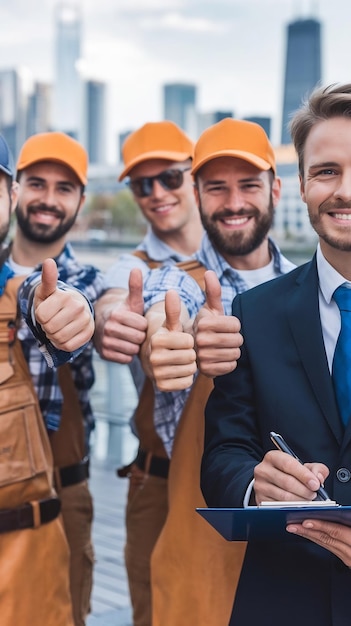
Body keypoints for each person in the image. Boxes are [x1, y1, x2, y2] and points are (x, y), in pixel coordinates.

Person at [200, 82, 351, 626]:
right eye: (327, 171)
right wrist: (252, 484)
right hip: (280, 598)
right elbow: (223, 454)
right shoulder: (253, 312)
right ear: (302, 187)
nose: (344, 190)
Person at [141, 118, 295, 625]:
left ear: (275, 189)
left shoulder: (309, 291)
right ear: (197, 194)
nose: (233, 203)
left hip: (294, 559)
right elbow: (162, 322)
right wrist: (169, 342)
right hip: (198, 558)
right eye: (216, 188)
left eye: (248, 185)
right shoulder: (172, 284)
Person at [93, 120, 203, 626]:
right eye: (143, 184)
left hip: (248, 482)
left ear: (195, 175)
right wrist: (111, 323)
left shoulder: (254, 263)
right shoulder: (132, 268)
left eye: (170, 177)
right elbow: (115, 302)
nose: (157, 193)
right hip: (157, 484)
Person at [6, 131, 106, 626]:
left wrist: (68, 312)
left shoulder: (88, 281)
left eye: (64, 188)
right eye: (37, 183)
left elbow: (56, 295)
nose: (48, 198)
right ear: (15, 190)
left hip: (63, 499)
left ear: (80, 202)